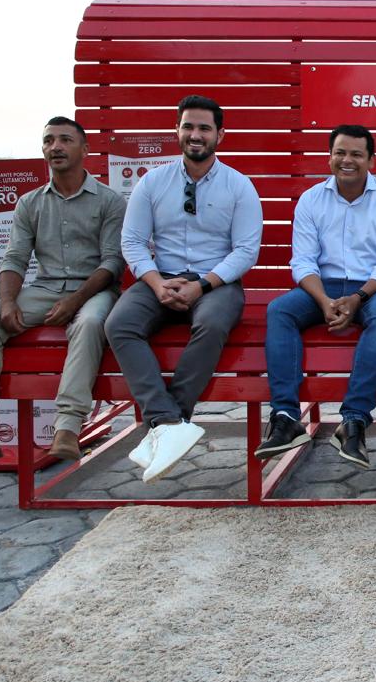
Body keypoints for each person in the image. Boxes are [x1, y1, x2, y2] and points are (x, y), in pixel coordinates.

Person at [0, 117, 125, 473]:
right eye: (49, 140)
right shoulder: (30, 203)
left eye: (65, 140)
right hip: (45, 288)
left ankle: (67, 426)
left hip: (94, 289)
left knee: (90, 323)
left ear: (84, 150)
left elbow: (112, 262)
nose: (56, 147)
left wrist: (75, 300)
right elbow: (15, 258)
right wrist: (7, 303)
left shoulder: (109, 201)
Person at [105, 95, 262, 483]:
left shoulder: (238, 186)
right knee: (119, 324)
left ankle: (168, 421)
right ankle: (169, 422)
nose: (195, 135)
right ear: (177, 131)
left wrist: (203, 285)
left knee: (210, 325)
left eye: (204, 128)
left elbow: (246, 250)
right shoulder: (152, 182)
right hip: (161, 277)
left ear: (220, 135)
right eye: (188, 126)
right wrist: (156, 282)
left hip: (216, 282)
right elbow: (133, 241)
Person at [254, 125, 376, 468]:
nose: (347, 160)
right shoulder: (311, 199)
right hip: (321, 287)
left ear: (371, 160)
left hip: (373, 289)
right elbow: (303, 261)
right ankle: (285, 417)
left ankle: (354, 420)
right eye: (340, 152)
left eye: (356, 154)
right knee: (280, 310)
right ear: (330, 157)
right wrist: (324, 301)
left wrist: (357, 298)